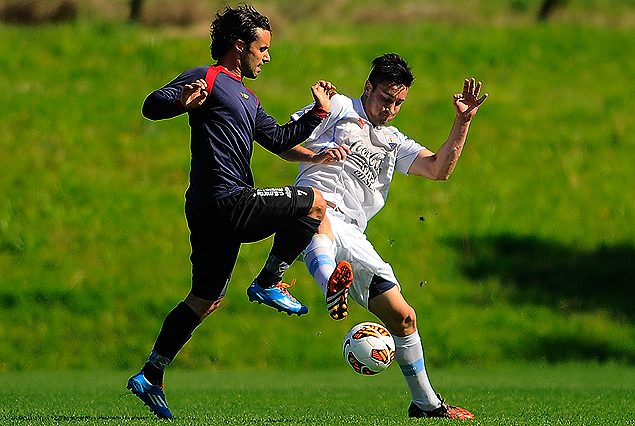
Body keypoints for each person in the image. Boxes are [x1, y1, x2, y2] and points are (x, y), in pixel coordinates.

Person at [126, 4, 337, 419]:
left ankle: (151, 373)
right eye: (263, 49)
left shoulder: (248, 96)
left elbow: (277, 139)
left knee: (205, 299)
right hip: (227, 200)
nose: (267, 56)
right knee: (315, 203)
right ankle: (268, 282)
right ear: (239, 46)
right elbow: (152, 104)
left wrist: (318, 114)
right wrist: (183, 103)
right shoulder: (206, 77)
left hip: (207, 209)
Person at [279, 53, 487, 419]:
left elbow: (439, 169)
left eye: (398, 103)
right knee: (321, 210)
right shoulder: (335, 106)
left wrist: (463, 121)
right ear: (367, 88)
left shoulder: (393, 140)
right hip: (311, 209)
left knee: (404, 318)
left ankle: (426, 404)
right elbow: (281, 142)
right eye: (385, 99)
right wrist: (317, 155)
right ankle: (331, 283)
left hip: (354, 236)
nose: (391, 109)